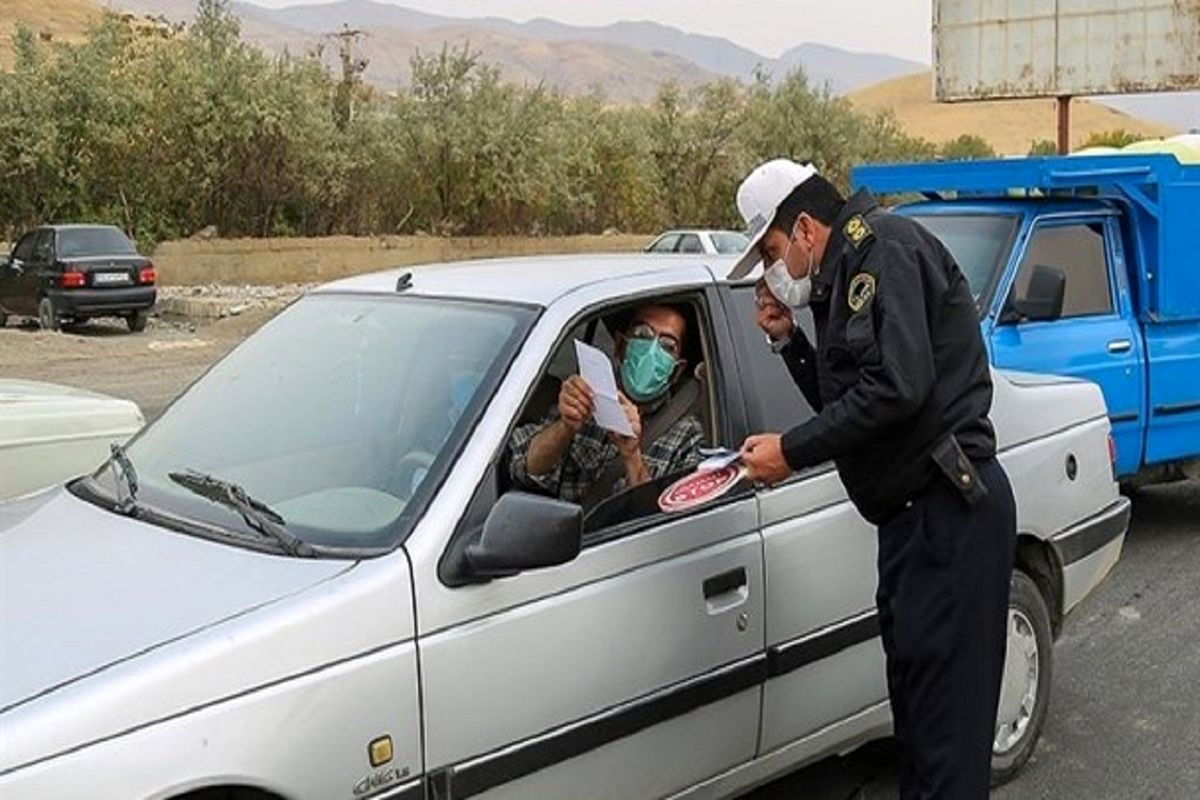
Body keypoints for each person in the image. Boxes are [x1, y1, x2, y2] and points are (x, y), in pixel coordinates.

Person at [730, 158, 1017, 799]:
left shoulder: (883, 250)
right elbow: (851, 409)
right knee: (918, 734)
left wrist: (790, 452)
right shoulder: (842, 278)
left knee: (946, 748)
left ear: (804, 229)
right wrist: (789, 343)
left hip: (948, 516)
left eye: (771, 252)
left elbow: (899, 388)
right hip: (913, 526)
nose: (773, 271)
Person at [509, 303, 703, 507]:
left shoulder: (687, 436)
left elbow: (670, 519)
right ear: (620, 345)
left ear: (677, 370)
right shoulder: (584, 395)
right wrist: (565, 427)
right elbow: (522, 467)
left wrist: (632, 456)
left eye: (668, 346)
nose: (651, 351)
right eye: (643, 334)